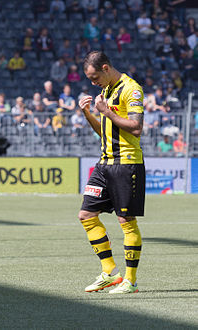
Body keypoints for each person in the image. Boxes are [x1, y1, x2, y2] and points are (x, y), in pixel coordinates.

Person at [78, 51, 145, 294]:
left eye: (95, 77)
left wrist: (106, 112)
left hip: (126, 163)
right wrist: (88, 114)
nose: (93, 83)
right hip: (104, 163)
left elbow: (136, 128)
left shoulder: (131, 89)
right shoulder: (106, 91)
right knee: (86, 214)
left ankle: (131, 281)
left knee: (125, 221)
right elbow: (104, 132)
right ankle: (109, 271)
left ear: (106, 68)